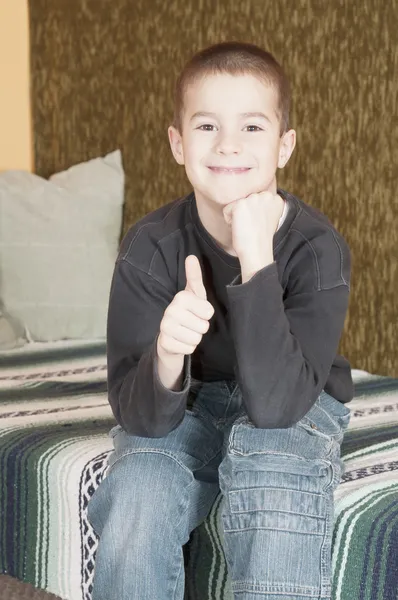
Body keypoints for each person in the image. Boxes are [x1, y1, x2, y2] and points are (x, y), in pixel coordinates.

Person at [88, 41, 353, 600]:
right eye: (207, 126)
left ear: (285, 146)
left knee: (273, 466)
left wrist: (256, 258)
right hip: (191, 403)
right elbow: (141, 419)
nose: (229, 144)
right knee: (138, 484)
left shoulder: (318, 248)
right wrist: (165, 357)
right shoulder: (149, 247)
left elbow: (279, 409)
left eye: (252, 128)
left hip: (297, 398)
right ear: (178, 144)